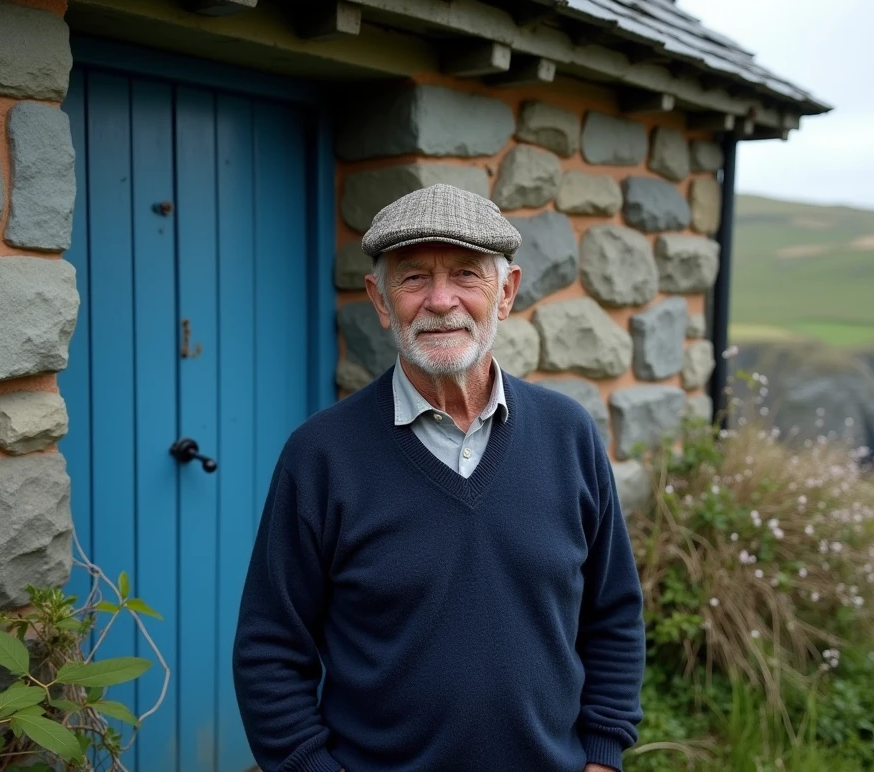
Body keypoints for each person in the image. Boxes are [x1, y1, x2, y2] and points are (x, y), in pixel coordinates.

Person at [232, 183, 645, 772]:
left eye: (467, 275)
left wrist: (603, 757)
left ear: (506, 293)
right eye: (413, 277)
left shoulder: (569, 436)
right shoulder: (320, 457)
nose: (441, 300)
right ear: (380, 300)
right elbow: (269, 650)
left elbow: (614, 616)